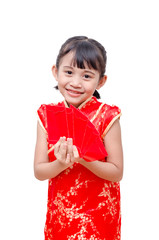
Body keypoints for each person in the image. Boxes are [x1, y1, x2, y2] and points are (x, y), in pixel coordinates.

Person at [34, 36, 123, 240]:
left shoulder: (107, 116)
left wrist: (83, 158)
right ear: (55, 72)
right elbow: (39, 171)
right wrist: (62, 162)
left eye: (86, 76)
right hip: (61, 215)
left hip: (98, 218)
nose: (75, 82)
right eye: (68, 72)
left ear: (101, 81)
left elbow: (117, 172)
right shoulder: (46, 116)